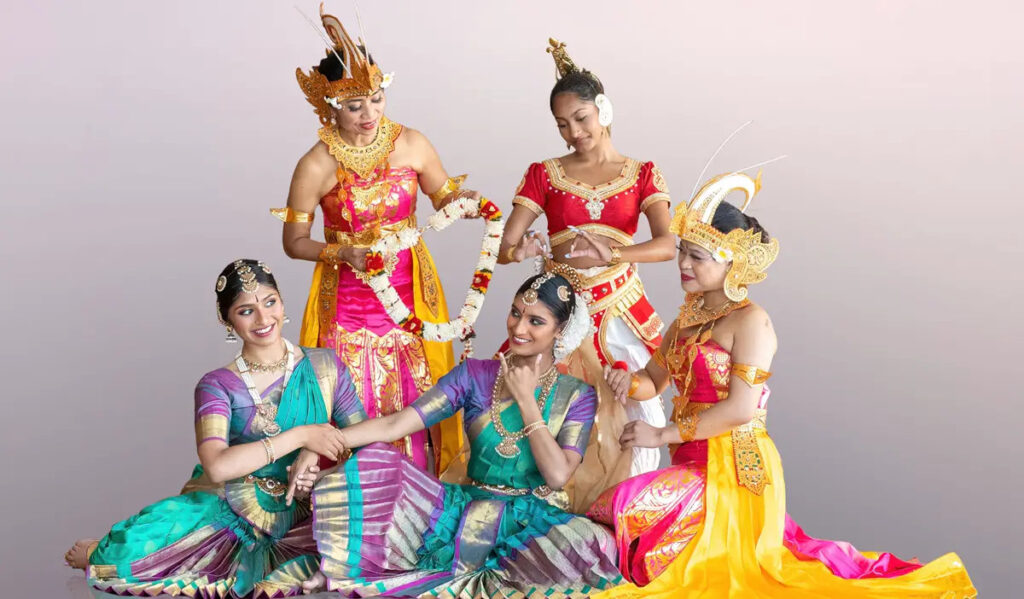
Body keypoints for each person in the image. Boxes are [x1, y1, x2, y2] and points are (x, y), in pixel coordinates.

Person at [587, 173, 976, 596]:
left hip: (734, 469)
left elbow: (741, 409)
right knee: (614, 512)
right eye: (683, 252)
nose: (683, 265)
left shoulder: (751, 321)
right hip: (689, 463)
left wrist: (659, 434)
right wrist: (628, 382)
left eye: (697, 257)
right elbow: (655, 381)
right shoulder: (685, 320)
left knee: (628, 512)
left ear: (732, 261)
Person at [287, 274, 623, 597]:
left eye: (536, 321)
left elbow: (558, 474)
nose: (519, 328)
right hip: (464, 507)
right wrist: (320, 440)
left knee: (598, 546)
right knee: (377, 459)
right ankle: (344, 563)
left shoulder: (577, 395)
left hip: (533, 519)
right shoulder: (475, 374)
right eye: (516, 313)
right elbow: (396, 425)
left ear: (560, 330)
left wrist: (525, 398)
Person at [63, 259, 369, 598]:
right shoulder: (217, 385)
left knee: (381, 537)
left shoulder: (325, 366)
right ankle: (98, 550)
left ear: (283, 303)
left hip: (311, 505)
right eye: (246, 310)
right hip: (234, 508)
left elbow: (364, 442)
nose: (264, 318)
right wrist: (302, 435)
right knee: (124, 558)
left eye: (270, 302)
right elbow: (218, 465)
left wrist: (323, 470)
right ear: (226, 320)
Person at [275, 4, 473, 474]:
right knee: (348, 390)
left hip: (409, 287)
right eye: (353, 104)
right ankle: (351, 499)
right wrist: (344, 252)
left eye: (376, 98)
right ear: (330, 106)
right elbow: (294, 241)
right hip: (346, 299)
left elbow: (444, 195)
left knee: (418, 382)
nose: (369, 114)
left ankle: (418, 490)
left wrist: (467, 203)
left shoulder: (412, 143)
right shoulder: (316, 164)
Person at [497, 38, 676, 512]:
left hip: (618, 306)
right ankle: (542, 509)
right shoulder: (544, 172)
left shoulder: (642, 173)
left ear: (604, 109)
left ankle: (623, 512)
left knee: (633, 407)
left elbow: (666, 245)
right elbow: (504, 248)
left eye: (581, 118)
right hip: (558, 311)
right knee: (537, 405)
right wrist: (522, 250)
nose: (573, 132)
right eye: (562, 125)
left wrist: (617, 251)